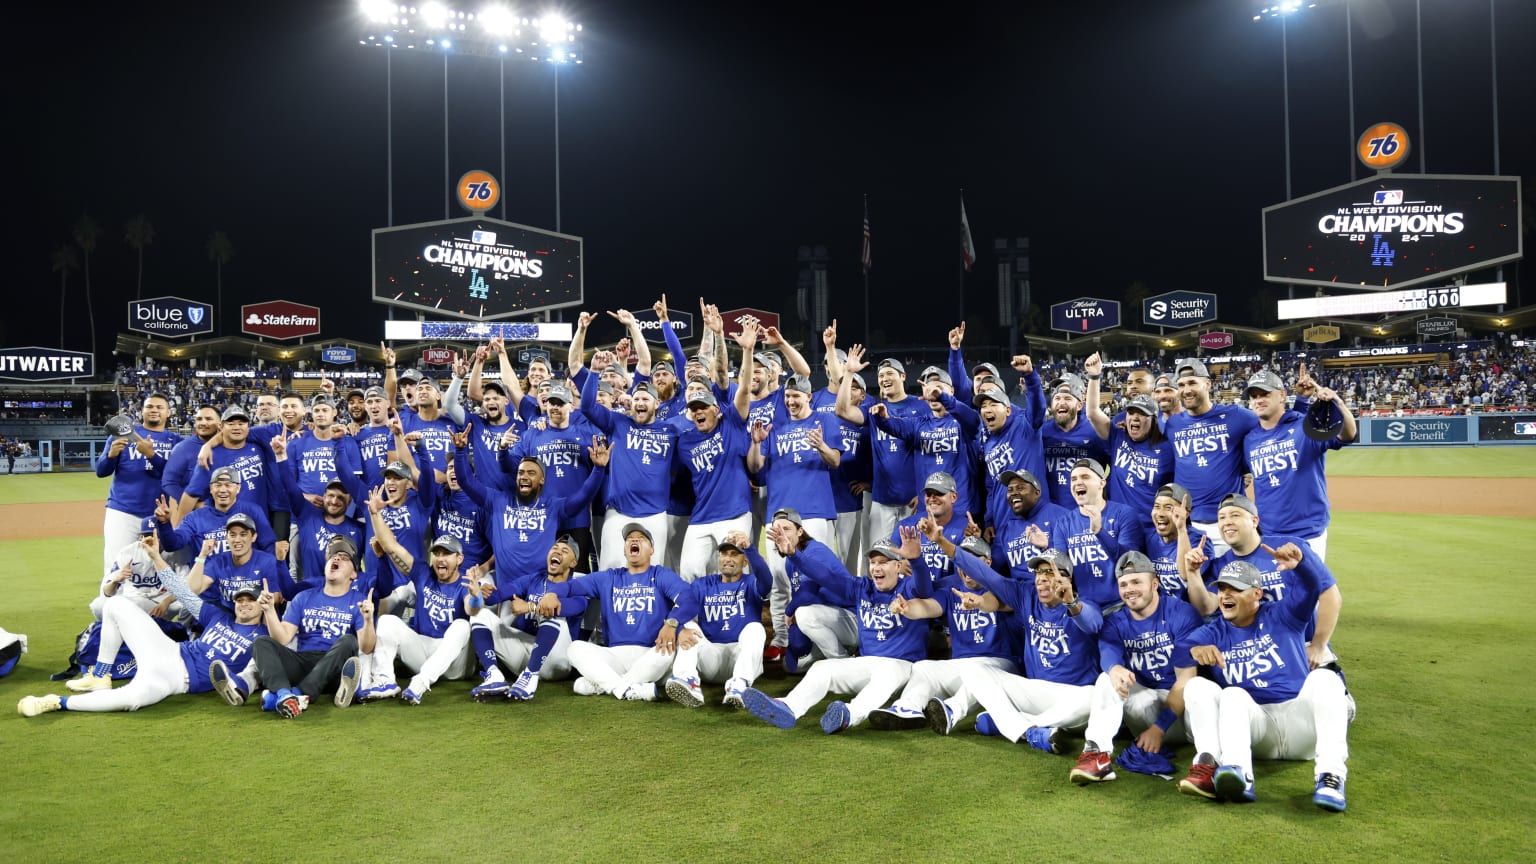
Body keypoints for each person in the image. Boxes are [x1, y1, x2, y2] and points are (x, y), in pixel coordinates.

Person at [1169, 549, 1352, 812]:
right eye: (1222, 589)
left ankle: (1330, 778)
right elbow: (1178, 649)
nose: (1225, 595)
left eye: (1235, 589)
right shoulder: (1214, 630)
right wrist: (1193, 650)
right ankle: (1238, 772)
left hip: (1299, 724)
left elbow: (1313, 589)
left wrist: (1302, 565)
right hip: (1258, 731)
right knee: (1229, 693)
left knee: (1326, 678)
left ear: (1257, 593)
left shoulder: (1284, 615)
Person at [21, 537, 267, 716]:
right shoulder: (218, 616)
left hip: (176, 680)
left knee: (132, 699)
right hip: (168, 650)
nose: (244, 604)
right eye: (240, 600)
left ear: (262, 604)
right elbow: (182, 592)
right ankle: (101, 675)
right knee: (115, 604)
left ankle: (57, 702)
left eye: (251, 600)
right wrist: (156, 557)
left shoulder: (264, 638)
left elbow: (258, 671)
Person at [740, 533, 930, 734]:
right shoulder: (862, 587)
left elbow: (925, 586)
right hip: (868, 663)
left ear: (898, 566)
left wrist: (916, 560)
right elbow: (826, 576)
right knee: (823, 668)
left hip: (903, 666)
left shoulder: (910, 588)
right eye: (873, 562)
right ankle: (789, 706)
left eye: (883, 562)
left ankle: (850, 714)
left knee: (888, 671)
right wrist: (794, 555)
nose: (876, 568)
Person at [1069, 550, 1204, 784]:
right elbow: (1108, 654)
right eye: (1123, 584)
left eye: (1136, 582)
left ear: (1155, 584)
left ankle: (1209, 763)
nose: (1129, 589)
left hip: (1184, 714)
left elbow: (1186, 680)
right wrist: (1114, 669)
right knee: (1106, 678)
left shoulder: (1182, 613)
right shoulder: (1114, 621)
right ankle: (1096, 754)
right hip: (1145, 706)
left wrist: (1159, 728)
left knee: (1200, 688)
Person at [952, 549, 1103, 750]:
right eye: (1038, 573)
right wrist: (943, 543)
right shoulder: (1027, 595)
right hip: (1036, 692)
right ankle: (1027, 731)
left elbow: (1092, 624)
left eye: (1049, 572)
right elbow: (987, 576)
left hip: (1073, 700)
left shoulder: (1086, 605)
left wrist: (1071, 602)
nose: (1041, 578)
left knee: (1093, 696)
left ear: (1066, 578)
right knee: (972, 669)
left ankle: (1010, 722)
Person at [866, 535, 1017, 732]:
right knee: (923, 668)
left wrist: (979, 602)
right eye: (963, 561)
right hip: (963, 665)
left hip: (1000, 665)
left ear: (987, 563)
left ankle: (953, 710)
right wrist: (907, 607)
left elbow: (997, 602)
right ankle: (907, 708)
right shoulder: (951, 592)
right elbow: (928, 607)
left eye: (973, 560)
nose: (967, 567)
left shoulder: (1003, 587)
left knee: (979, 672)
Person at [1182, 493, 1342, 671]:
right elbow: (1206, 607)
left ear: (1254, 521)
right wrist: (1193, 573)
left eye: (1235, 515)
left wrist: (1318, 645)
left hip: (1302, 648)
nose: (1227, 522)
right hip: (1258, 655)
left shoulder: (1289, 548)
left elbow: (1330, 594)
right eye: (1221, 517)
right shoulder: (1221, 565)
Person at [552, 523, 692, 701]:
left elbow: (688, 598)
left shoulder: (661, 575)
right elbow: (571, 587)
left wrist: (672, 623)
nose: (634, 540)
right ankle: (629, 688)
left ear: (651, 550)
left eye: (641, 538)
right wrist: (552, 593)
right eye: (629, 539)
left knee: (666, 652)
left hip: (651, 652)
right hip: (615, 655)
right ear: (625, 551)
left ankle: (607, 685)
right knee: (575, 649)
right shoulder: (609, 578)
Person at [248, 539, 376, 719]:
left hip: (333, 668)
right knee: (261, 642)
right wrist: (269, 611)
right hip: (303, 661)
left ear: (354, 573)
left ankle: (297, 693)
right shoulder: (304, 597)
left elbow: (367, 648)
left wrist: (368, 620)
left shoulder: (359, 601)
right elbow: (282, 638)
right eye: (333, 556)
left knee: (349, 641)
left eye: (344, 557)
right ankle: (284, 695)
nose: (336, 558)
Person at [358, 520, 477, 705]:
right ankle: (385, 680)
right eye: (437, 553)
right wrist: (375, 513)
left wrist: (476, 596)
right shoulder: (423, 573)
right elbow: (392, 546)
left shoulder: (466, 584)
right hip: (424, 652)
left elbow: (472, 609)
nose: (440, 558)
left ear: (459, 559)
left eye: (446, 553)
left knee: (462, 625)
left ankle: (421, 682)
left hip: (456, 664)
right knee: (388, 621)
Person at [1241, 368, 1356, 559]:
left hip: (1307, 534)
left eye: (1265, 394)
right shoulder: (1250, 439)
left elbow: (1347, 435)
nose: (1258, 400)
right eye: (1254, 396)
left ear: (1282, 395)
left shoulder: (1305, 426)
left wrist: (1337, 403)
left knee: (1309, 580)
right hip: (1266, 534)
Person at [674, 323, 758, 581]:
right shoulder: (684, 442)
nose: (698, 411)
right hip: (701, 515)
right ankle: (698, 610)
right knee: (689, 571)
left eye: (703, 407)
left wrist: (748, 351)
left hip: (734, 512)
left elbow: (744, 389)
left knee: (734, 572)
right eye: (694, 409)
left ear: (716, 410)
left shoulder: (731, 422)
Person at [466, 535, 587, 702]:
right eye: (555, 548)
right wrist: (480, 591)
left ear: (573, 563)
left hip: (556, 662)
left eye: (565, 551)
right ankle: (494, 675)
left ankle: (531, 675)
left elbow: (576, 606)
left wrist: (530, 606)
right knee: (479, 614)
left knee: (552, 613)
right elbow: (497, 596)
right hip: (526, 655)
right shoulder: (534, 579)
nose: (558, 552)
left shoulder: (577, 585)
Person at [663, 531, 773, 709]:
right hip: (711, 658)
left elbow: (767, 580)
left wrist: (750, 549)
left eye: (734, 554)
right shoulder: (702, 584)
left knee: (755, 628)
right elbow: (682, 607)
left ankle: (739, 686)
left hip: (741, 658)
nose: (728, 559)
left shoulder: (752, 582)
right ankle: (687, 680)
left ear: (745, 561)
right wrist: (678, 628)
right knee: (687, 625)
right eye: (724, 554)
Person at [1164, 358, 1259, 554]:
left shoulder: (1237, 416)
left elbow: (1271, 427)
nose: (1186, 390)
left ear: (1207, 384)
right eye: (1181, 385)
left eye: (1192, 383)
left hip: (1228, 523)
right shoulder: (1173, 424)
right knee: (1190, 574)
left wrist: (1245, 468)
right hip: (1189, 525)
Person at [97, 392, 182, 572]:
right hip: (122, 511)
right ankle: (111, 592)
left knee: (155, 569)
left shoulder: (177, 442)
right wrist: (111, 456)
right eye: (149, 406)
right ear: (142, 411)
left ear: (168, 412)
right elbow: (101, 471)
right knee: (116, 565)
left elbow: (175, 476)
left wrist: (151, 455)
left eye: (159, 407)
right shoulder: (122, 435)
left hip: (158, 515)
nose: (154, 410)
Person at [1084, 352, 1172, 522]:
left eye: (1142, 414)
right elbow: (1092, 412)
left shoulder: (1168, 440)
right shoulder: (1118, 432)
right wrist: (1094, 376)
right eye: (1131, 413)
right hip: (1117, 520)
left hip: (1151, 523)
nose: (1134, 418)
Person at [1052, 458, 1146, 609]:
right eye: (1073, 479)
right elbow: (1062, 568)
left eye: (1085, 477)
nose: (1078, 482)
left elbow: (1130, 562)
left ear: (1102, 483)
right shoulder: (1063, 523)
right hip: (1084, 607)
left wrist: (1099, 532)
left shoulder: (1125, 514)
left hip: (1123, 605)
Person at [185, 513, 295, 609]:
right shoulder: (219, 561)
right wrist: (202, 555)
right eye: (232, 535)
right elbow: (192, 590)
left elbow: (275, 601)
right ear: (226, 538)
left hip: (258, 617)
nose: (237, 540)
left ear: (254, 537)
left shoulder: (268, 562)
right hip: (227, 618)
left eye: (243, 534)